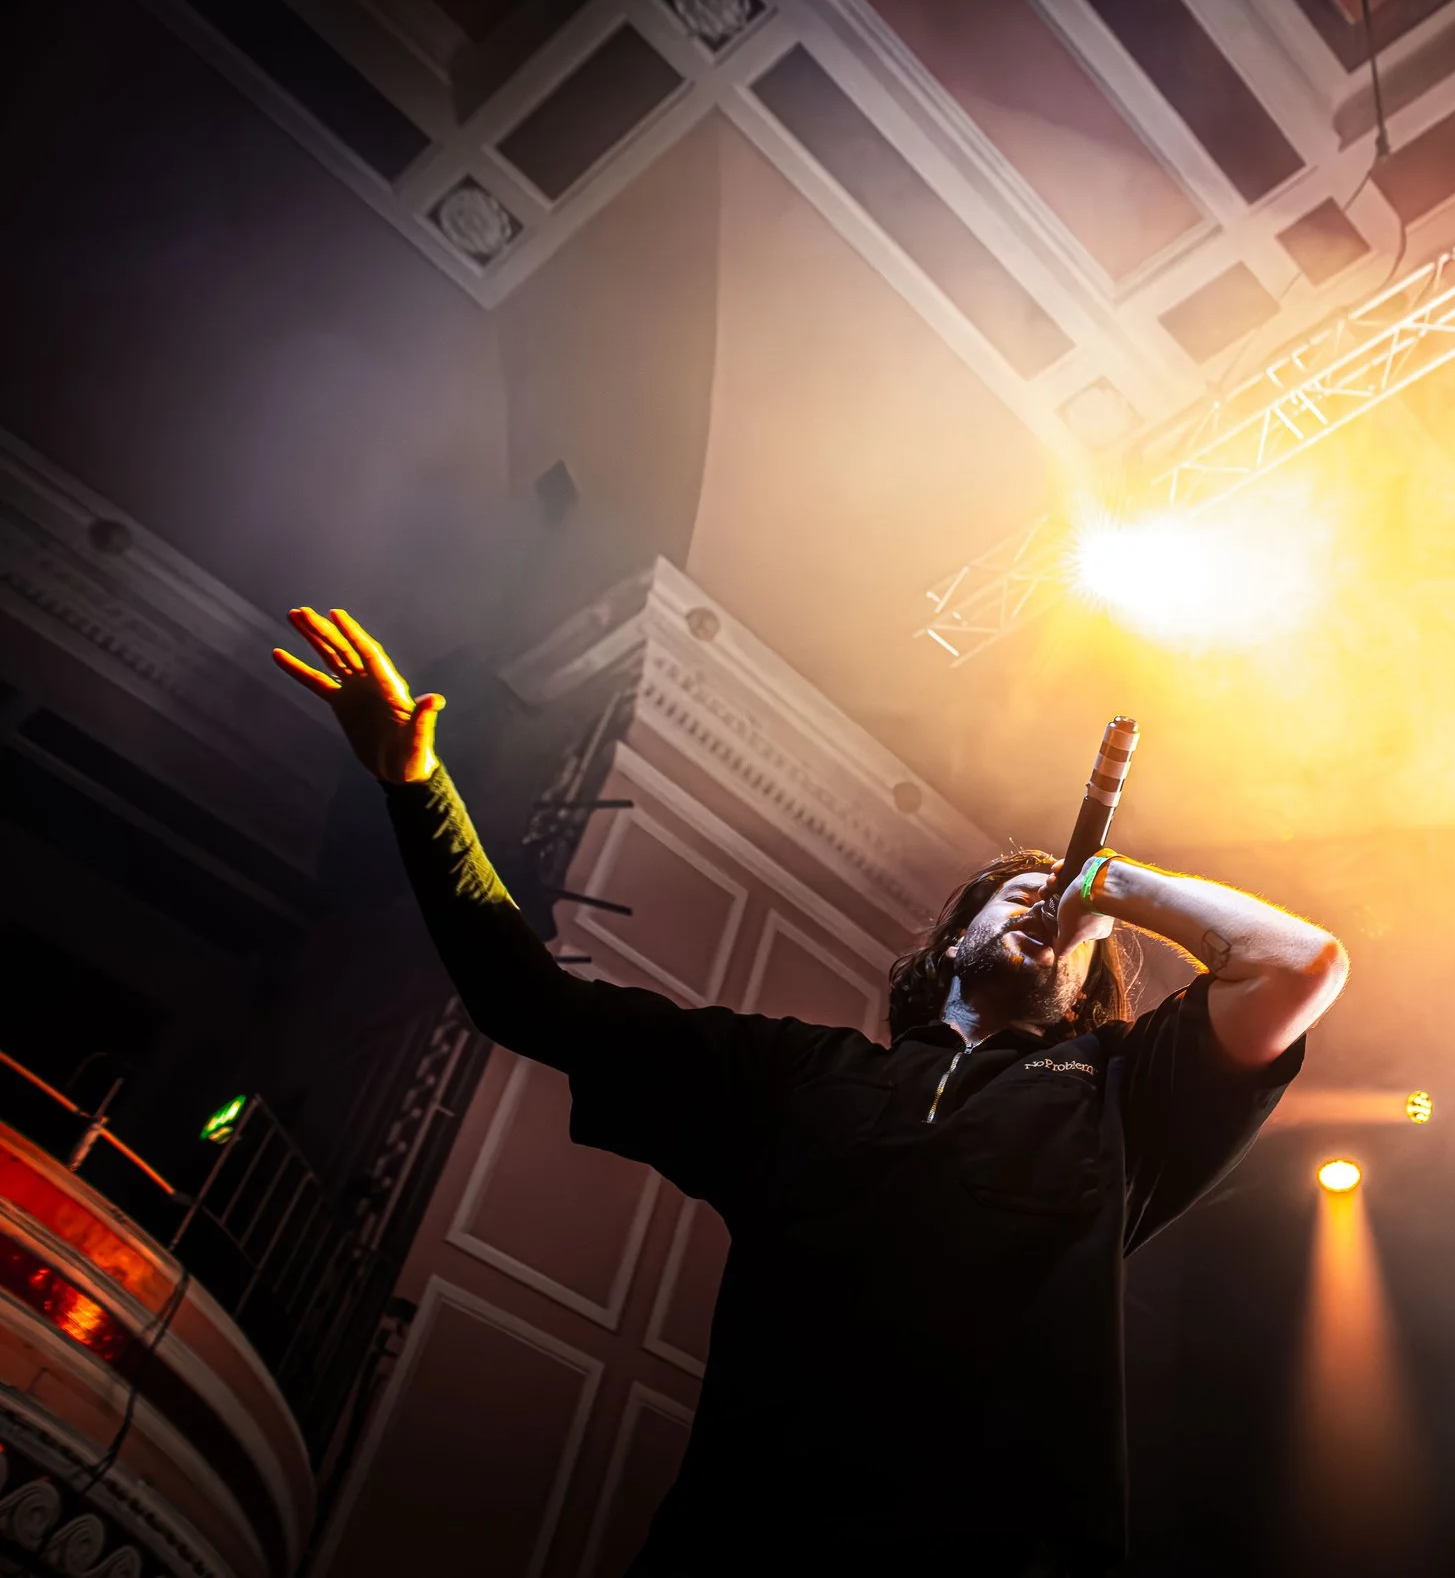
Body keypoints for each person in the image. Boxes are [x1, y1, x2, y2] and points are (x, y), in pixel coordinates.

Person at [275, 606, 1349, 1575]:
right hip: (747, 1538)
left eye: (1075, 923)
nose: (1050, 910)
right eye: (1021, 892)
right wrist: (416, 789)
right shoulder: (797, 1071)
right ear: (952, 939)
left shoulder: (1123, 1095)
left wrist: (1107, 882)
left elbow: (1299, 964)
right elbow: (528, 1001)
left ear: (1082, 986)